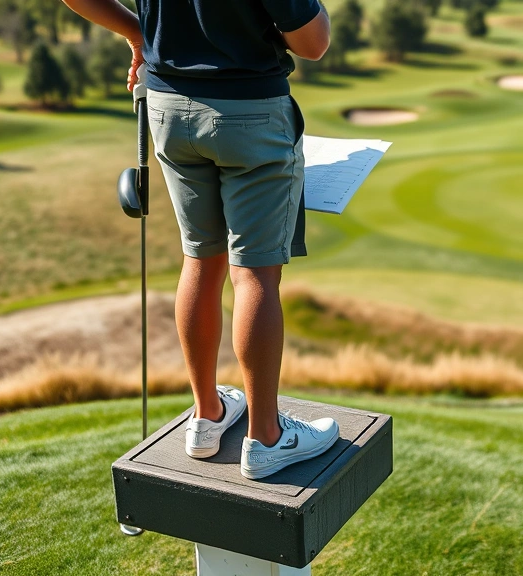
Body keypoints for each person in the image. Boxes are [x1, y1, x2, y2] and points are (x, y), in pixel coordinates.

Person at [61, 0, 339, 480]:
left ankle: (207, 417)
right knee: (254, 275)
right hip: (251, 111)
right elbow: (312, 43)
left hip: (169, 109)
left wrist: (137, 32)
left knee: (200, 259)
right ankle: (266, 439)